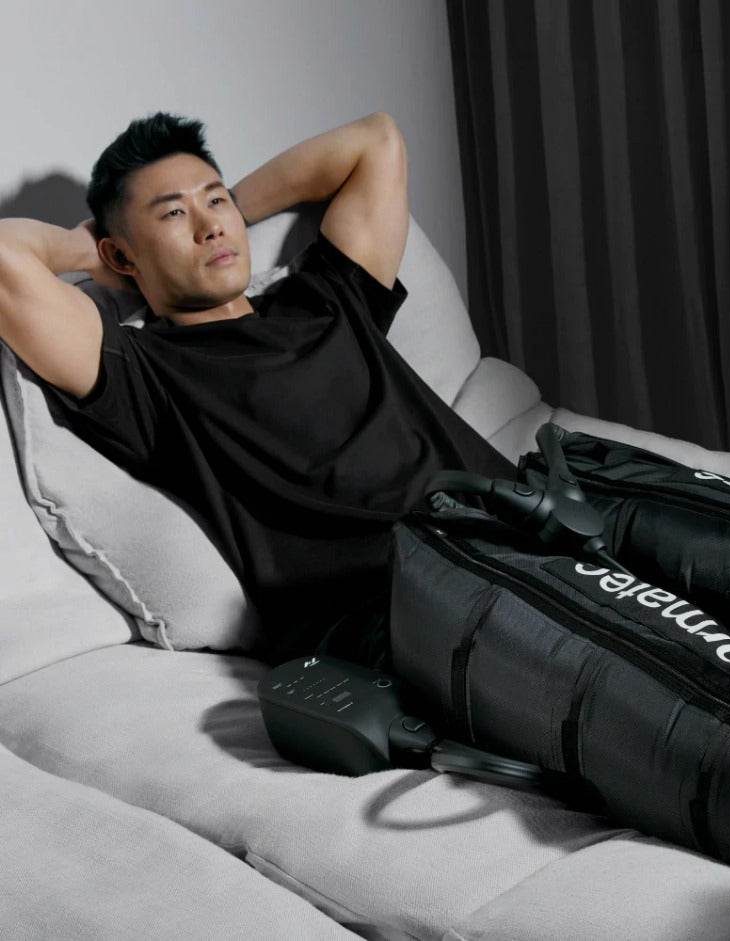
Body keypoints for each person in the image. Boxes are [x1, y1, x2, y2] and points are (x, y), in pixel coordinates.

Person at [0, 111, 516, 664]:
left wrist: (230, 209)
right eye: (174, 212)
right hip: (416, 608)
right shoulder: (146, 375)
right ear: (122, 255)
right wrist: (95, 253)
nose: (210, 227)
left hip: (528, 524)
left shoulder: (325, 297)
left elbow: (376, 140)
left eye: (215, 200)